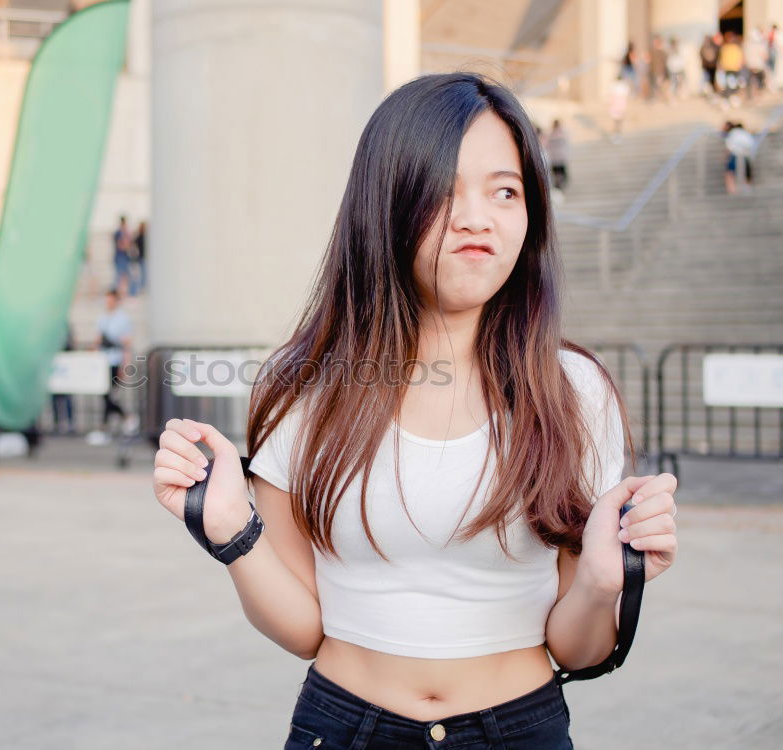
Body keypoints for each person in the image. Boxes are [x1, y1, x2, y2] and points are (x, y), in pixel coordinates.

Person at [151, 73, 680, 748]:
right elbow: (305, 629)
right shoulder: (306, 384)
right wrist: (230, 529)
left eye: (505, 191)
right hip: (346, 726)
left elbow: (577, 649)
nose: (478, 217)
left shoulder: (573, 391)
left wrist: (605, 581)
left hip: (519, 729)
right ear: (388, 203)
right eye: (445, 190)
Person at [87, 288, 135, 445]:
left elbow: (126, 344)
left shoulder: (122, 319)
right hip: (103, 361)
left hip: (115, 360)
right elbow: (98, 339)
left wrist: (125, 365)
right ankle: (113, 423)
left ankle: (123, 418)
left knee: (109, 394)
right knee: (105, 394)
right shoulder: (102, 318)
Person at [723, 120, 755, 195]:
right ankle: (748, 189)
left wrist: (725, 158)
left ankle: (732, 191)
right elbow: (751, 144)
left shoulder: (732, 133)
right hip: (746, 155)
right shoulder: (746, 133)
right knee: (747, 173)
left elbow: (729, 147)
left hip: (735, 155)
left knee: (729, 173)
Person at [113, 215, 138, 297]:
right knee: (118, 276)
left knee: (128, 275)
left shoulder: (127, 233)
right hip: (119, 258)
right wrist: (125, 244)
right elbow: (121, 245)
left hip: (126, 257)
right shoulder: (118, 233)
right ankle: (116, 294)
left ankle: (131, 293)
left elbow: (129, 244)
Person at [547, 119, 569, 192]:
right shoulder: (562, 133)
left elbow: (548, 146)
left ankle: (559, 186)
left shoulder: (551, 134)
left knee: (558, 174)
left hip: (555, 158)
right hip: (559, 158)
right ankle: (560, 186)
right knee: (560, 174)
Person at [133, 220, 148, 293]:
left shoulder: (146, 236)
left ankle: (143, 286)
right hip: (141, 257)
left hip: (144, 257)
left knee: (144, 273)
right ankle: (142, 287)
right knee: (142, 273)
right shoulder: (140, 236)